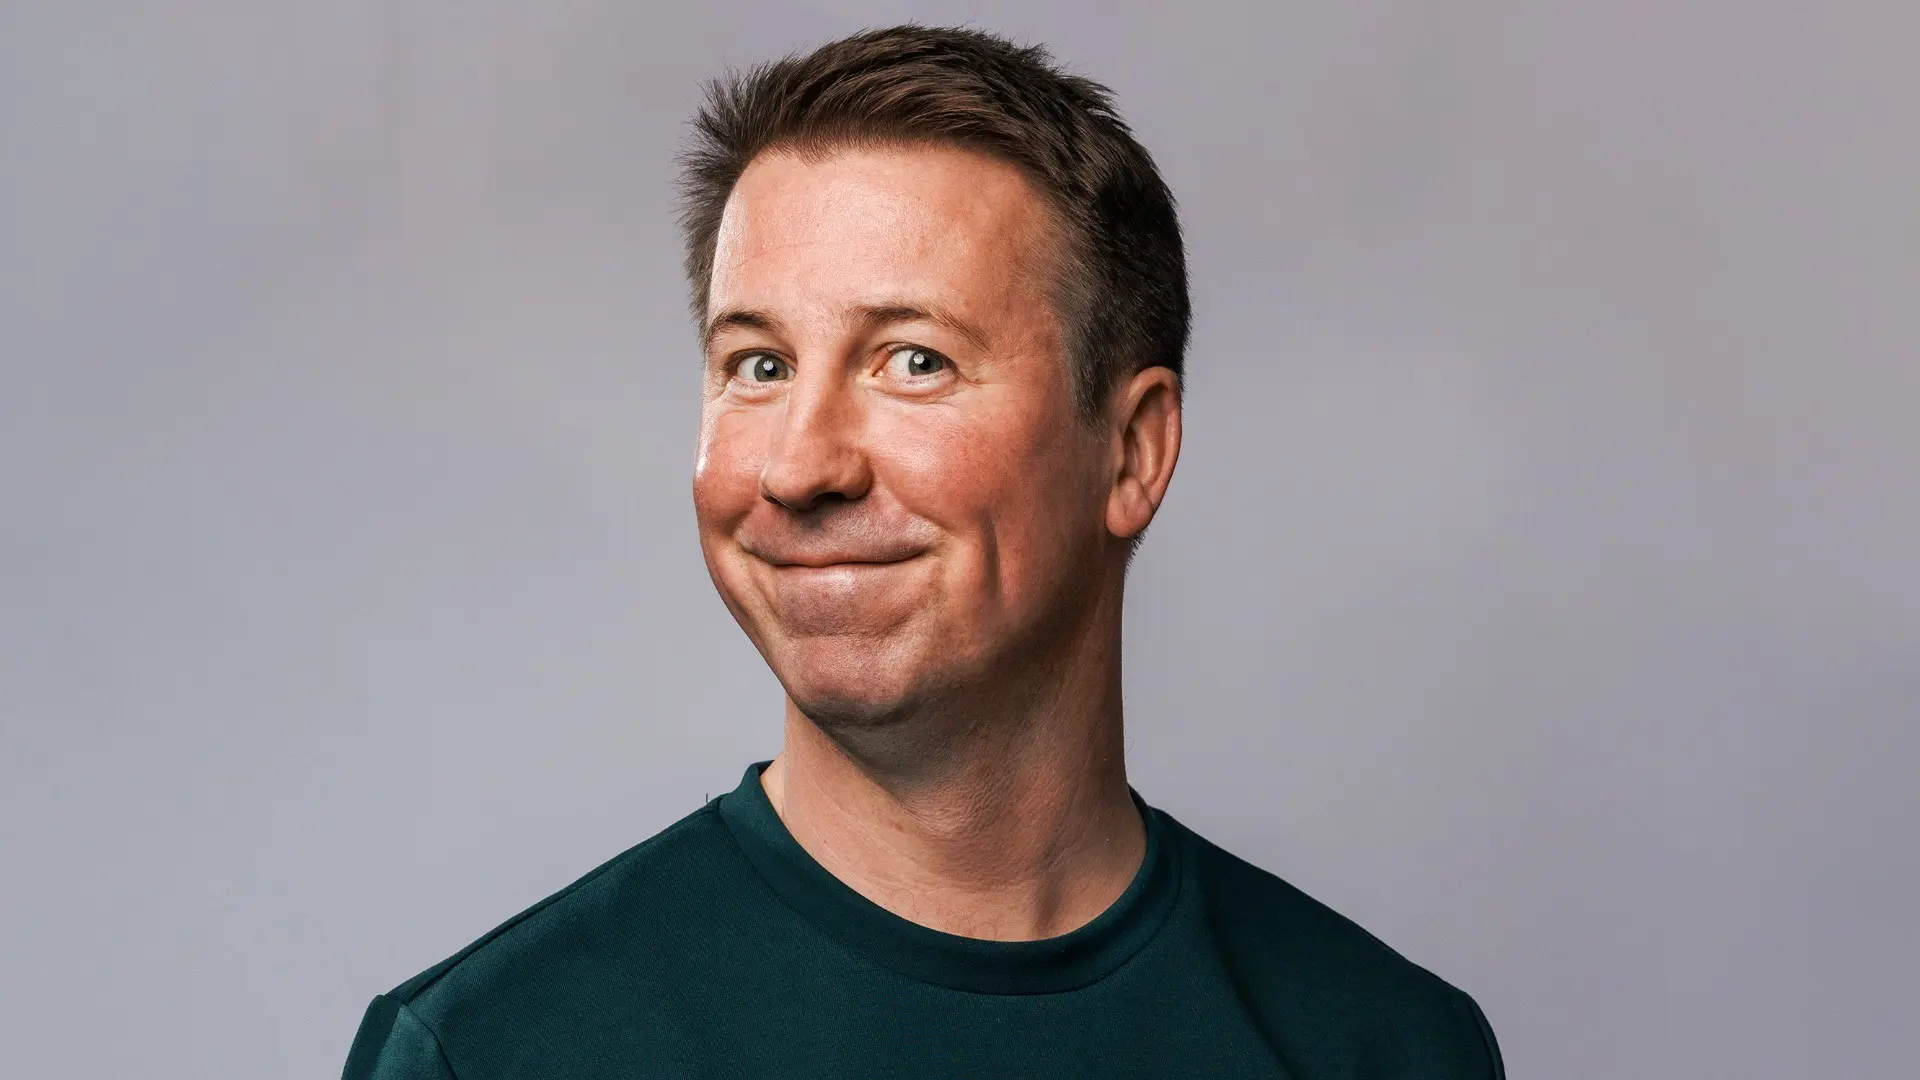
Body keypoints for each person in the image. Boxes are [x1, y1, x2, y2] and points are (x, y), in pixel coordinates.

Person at [343, 24, 1504, 1079]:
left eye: (914, 362)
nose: (801, 466)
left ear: (1132, 452)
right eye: (759, 365)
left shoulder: (1390, 1050)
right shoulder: (485, 1055)